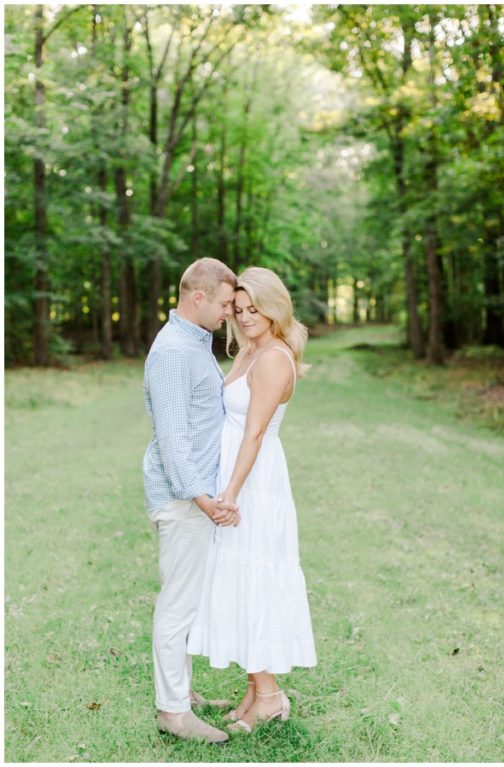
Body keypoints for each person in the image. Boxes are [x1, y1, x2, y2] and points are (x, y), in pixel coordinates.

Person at [187, 266, 317, 734]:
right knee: (238, 580)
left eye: (253, 310)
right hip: (235, 472)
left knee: (253, 580)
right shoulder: (248, 350)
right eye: (238, 310)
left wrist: (231, 492)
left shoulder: (274, 358)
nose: (243, 318)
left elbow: (256, 432)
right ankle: (254, 691)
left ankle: (269, 696)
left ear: (274, 308)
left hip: (254, 483)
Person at [143, 257, 240, 743]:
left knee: (186, 599)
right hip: (182, 497)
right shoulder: (174, 352)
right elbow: (172, 439)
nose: (229, 312)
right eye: (224, 303)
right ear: (197, 297)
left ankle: (182, 692)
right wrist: (203, 499)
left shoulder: (194, 343)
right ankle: (173, 712)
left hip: (194, 494)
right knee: (177, 604)